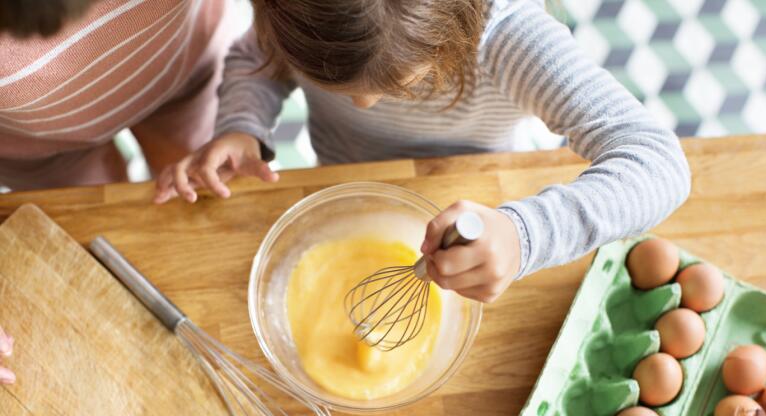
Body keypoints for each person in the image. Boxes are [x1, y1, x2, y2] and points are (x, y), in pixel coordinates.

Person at [155, 0, 691, 303]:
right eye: (335, 86)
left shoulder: (510, 38)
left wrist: (524, 234)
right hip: (348, 184)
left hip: (480, 203)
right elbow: (257, 57)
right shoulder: (300, 15)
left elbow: (657, 161)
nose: (363, 105)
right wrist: (242, 125)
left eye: (403, 84)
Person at [0, 0, 234, 189]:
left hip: (183, 74)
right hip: (37, 150)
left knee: (204, 190)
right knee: (96, 229)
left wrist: (246, 122)